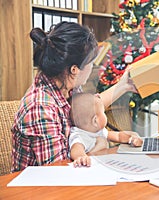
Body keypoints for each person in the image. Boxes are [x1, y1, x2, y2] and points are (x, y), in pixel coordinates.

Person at [11, 22, 137, 172]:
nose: (93, 67)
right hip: (40, 190)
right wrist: (99, 146)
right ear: (74, 69)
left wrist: (124, 85)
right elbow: (60, 171)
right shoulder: (40, 107)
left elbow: (89, 109)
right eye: (91, 62)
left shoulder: (66, 84)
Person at [69, 93, 142, 167]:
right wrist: (81, 157)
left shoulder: (97, 131)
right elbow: (76, 148)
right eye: (103, 112)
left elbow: (118, 136)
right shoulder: (79, 135)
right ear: (95, 120)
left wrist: (131, 138)